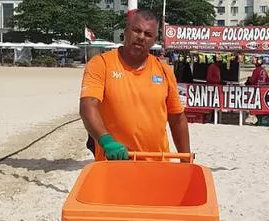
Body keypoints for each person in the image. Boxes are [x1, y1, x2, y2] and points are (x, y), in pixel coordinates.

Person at [79, 9, 190, 161]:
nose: (141, 37)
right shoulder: (102, 64)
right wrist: (106, 141)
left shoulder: (164, 70)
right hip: (115, 162)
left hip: (157, 164)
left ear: (154, 40)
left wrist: (186, 159)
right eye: (136, 30)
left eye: (148, 34)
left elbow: (177, 118)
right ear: (126, 31)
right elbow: (88, 105)